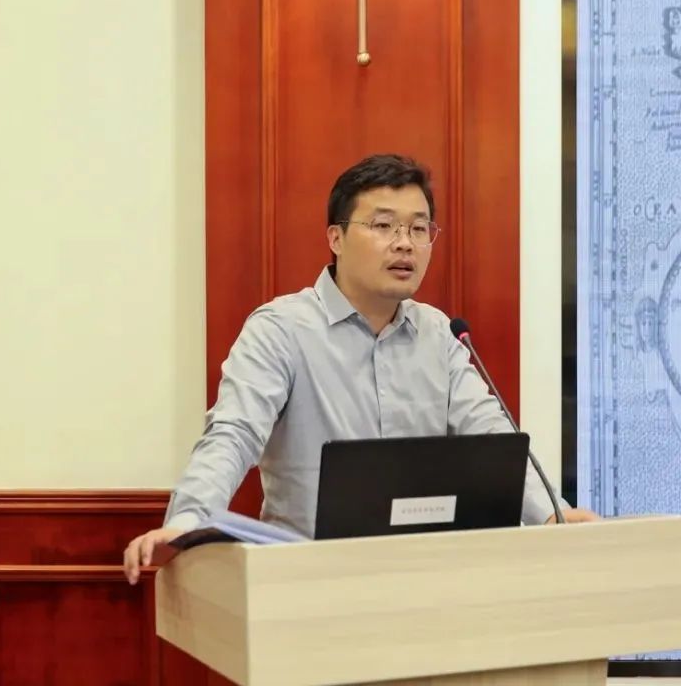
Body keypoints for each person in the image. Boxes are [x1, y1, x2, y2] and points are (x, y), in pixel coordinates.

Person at [123, 154, 597, 584]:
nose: (404, 244)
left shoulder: (439, 335)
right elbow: (233, 433)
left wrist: (551, 514)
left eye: (419, 229)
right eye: (384, 225)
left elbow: (491, 433)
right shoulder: (281, 330)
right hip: (308, 584)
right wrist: (188, 521)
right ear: (336, 238)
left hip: (423, 581)